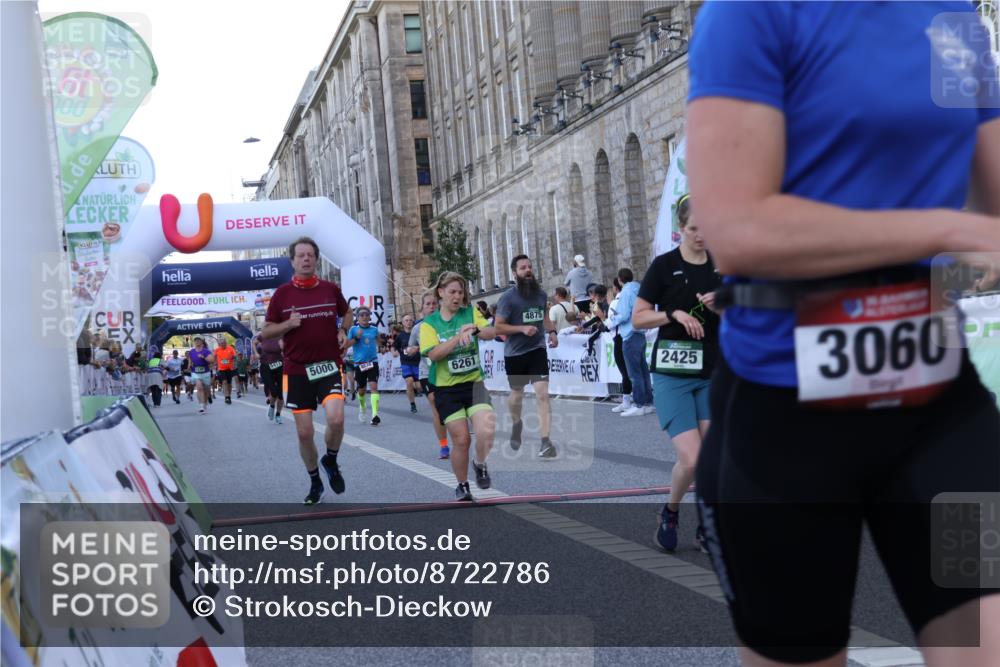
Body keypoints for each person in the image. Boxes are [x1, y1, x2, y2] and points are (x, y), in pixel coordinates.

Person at [687, 3, 1000, 666]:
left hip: (938, 410)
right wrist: (943, 230)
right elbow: (738, 230)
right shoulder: (751, 13)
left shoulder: (950, 16)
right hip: (785, 419)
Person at [633, 195, 720, 555]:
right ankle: (670, 512)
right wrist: (674, 314)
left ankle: (706, 525)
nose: (701, 235)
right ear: (679, 229)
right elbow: (639, 318)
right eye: (693, 228)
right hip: (672, 374)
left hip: (713, 370)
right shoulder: (664, 267)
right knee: (694, 458)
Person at [262, 236, 352, 505]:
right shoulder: (282, 294)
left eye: (310, 255)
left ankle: (331, 460)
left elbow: (347, 313)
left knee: (336, 419)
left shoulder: (330, 289)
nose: (305, 259)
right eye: (300, 255)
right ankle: (314, 480)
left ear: (316, 258)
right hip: (297, 370)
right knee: (305, 433)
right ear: (292, 261)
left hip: (328, 366)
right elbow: (266, 331)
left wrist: (343, 330)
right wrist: (288, 324)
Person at [419, 272, 498, 500]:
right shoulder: (429, 324)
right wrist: (456, 338)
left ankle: (479, 463)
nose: (456, 296)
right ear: (441, 293)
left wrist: (476, 330)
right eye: (452, 292)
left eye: (460, 292)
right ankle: (462, 485)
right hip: (446, 389)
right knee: (462, 439)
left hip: (474, 384)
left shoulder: (470, 313)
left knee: (487, 431)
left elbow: (492, 333)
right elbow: (433, 354)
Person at [494, 254, 559, 458]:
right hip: (515, 354)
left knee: (542, 394)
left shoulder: (540, 295)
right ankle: (516, 423)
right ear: (515, 274)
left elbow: (544, 317)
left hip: (537, 350)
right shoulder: (508, 298)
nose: (528, 270)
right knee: (517, 396)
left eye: (529, 267)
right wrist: (521, 328)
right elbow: (498, 327)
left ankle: (545, 441)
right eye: (523, 268)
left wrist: (552, 332)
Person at [408, 289, 451, 459]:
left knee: (451, 406)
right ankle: (443, 445)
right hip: (428, 371)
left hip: (448, 370)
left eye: (434, 303)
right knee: (436, 405)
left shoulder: (447, 322)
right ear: (422, 308)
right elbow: (409, 348)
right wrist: (412, 350)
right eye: (428, 304)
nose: (432, 307)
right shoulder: (417, 328)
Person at [609, 268, 655, 418]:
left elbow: (622, 314)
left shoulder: (626, 292)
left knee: (634, 373)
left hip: (629, 333)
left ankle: (639, 404)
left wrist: (611, 321)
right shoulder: (639, 289)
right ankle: (648, 403)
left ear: (620, 279)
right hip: (640, 333)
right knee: (643, 370)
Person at [345, 307, 381, 426]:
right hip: (359, 364)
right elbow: (347, 344)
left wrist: (382, 343)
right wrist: (357, 338)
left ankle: (375, 415)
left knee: (374, 386)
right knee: (361, 390)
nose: (365, 316)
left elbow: (379, 342)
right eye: (362, 315)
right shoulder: (353, 330)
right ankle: (362, 407)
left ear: (370, 316)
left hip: (373, 362)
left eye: (367, 314)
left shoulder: (374, 329)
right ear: (357, 317)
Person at [606, 277, 634, 413]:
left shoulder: (616, 302)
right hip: (632, 334)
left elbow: (611, 322)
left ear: (616, 288)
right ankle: (635, 399)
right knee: (634, 370)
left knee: (625, 370)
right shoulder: (633, 297)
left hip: (619, 337)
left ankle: (627, 401)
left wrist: (605, 321)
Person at [395, 314, 421, 413]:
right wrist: (394, 352)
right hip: (406, 363)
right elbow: (395, 347)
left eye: (410, 320)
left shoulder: (417, 333)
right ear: (402, 323)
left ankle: (416, 391)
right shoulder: (400, 336)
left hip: (418, 363)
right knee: (409, 381)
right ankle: (413, 404)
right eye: (406, 320)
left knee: (419, 386)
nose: (409, 322)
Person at [258, 334, 285, 424]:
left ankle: (278, 414)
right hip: (266, 366)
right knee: (273, 391)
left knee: (281, 394)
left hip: (279, 365)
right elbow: (254, 343)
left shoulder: (281, 335)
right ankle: (272, 406)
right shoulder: (263, 335)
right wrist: (255, 353)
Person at [187, 337, 214, 415]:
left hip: (205, 372)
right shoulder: (191, 352)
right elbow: (190, 360)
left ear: (201, 342)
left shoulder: (206, 351)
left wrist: (204, 357)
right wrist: (189, 366)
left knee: (205, 390)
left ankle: (205, 405)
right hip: (195, 372)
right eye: (195, 341)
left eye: (198, 341)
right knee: (199, 388)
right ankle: (201, 406)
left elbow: (212, 360)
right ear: (194, 342)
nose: (197, 342)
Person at [214, 338, 237, 404]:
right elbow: (214, 357)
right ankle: (226, 397)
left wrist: (232, 357)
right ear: (219, 344)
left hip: (230, 368)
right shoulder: (217, 350)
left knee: (229, 384)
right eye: (221, 344)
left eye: (224, 343)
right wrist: (215, 363)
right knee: (224, 382)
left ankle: (228, 396)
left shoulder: (230, 348)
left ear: (226, 343)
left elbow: (235, 356)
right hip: (221, 369)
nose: (222, 345)